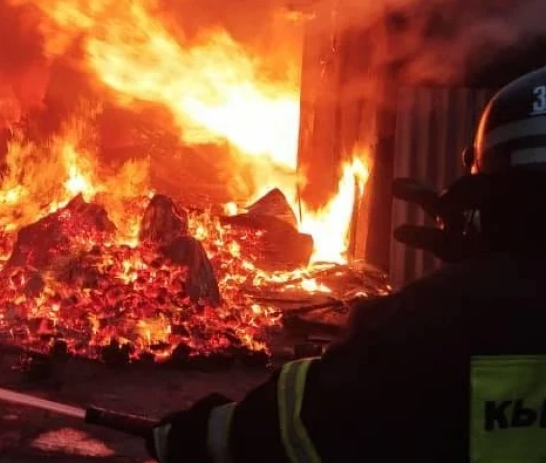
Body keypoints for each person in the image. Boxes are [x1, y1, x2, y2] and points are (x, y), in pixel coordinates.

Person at [148, 66, 546, 463]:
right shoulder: (441, 318)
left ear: (481, 192)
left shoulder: (427, 324)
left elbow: (296, 424)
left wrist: (190, 436)